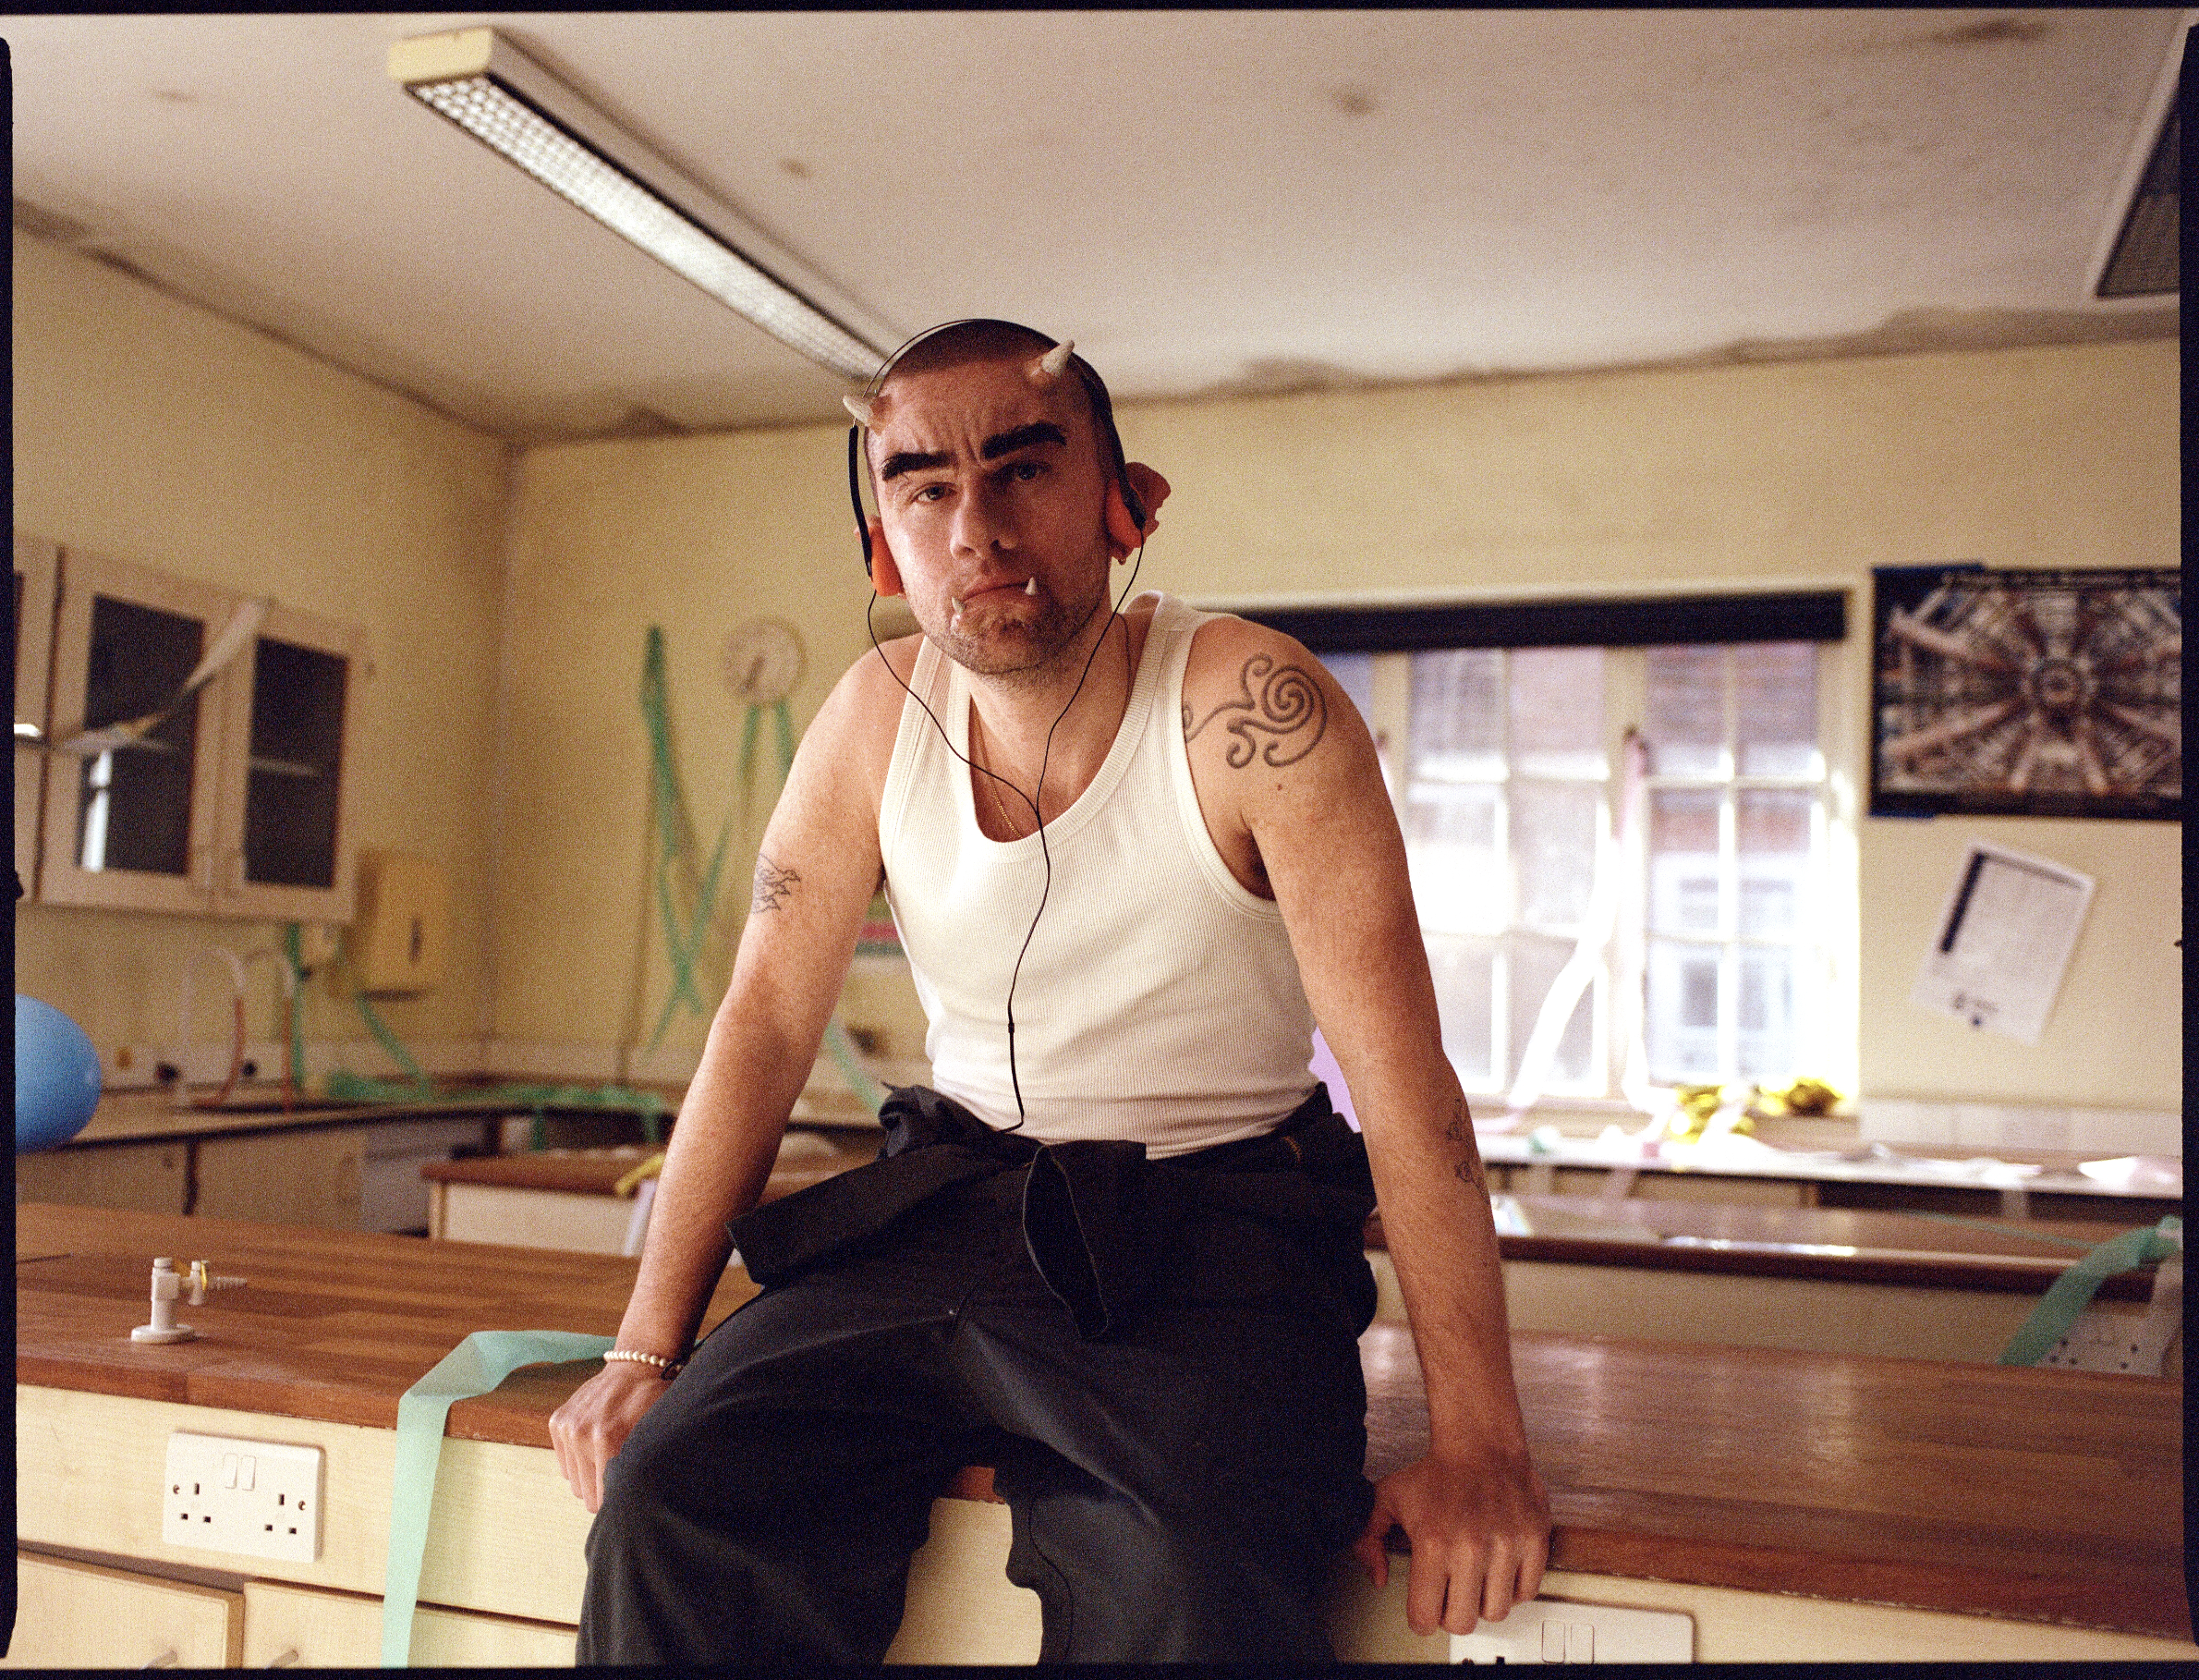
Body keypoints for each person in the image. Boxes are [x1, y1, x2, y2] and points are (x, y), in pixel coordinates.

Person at [551, 319, 1550, 1663]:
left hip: (1215, 1236)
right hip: (948, 1205)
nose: (977, 528)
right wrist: (644, 1350)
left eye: (1023, 471)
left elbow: (1402, 1079)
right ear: (882, 550)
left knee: (1195, 1560)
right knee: (679, 1493)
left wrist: (1480, 1439)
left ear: (1129, 506)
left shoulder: (1256, 706)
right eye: (924, 489)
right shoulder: (870, 712)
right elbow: (767, 1022)